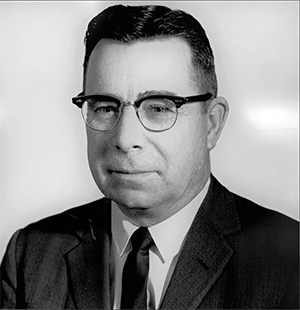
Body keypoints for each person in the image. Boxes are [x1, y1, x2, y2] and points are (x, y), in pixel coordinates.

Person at [1, 4, 298, 309]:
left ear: (211, 123)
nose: (125, 139)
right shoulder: (31, 254)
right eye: (104, 106)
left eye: (158, 108)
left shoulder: (290, 263)